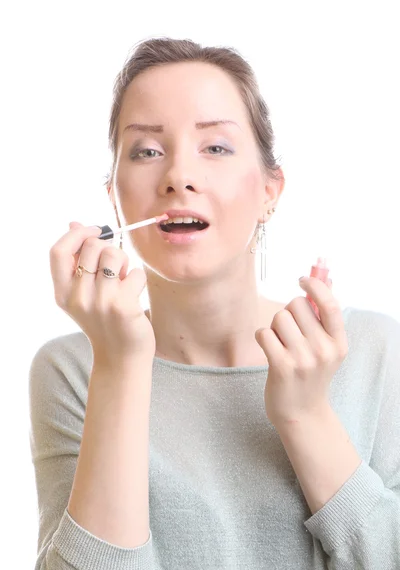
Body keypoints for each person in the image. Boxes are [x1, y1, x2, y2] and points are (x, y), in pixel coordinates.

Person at [29, 37, 400, 570]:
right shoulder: (72, 370)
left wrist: (307, 416)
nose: (178, 176)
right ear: (114, 196)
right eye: (148, 151)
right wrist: (119, 367)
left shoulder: (371, 353)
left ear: (271, 191)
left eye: (216, 147)